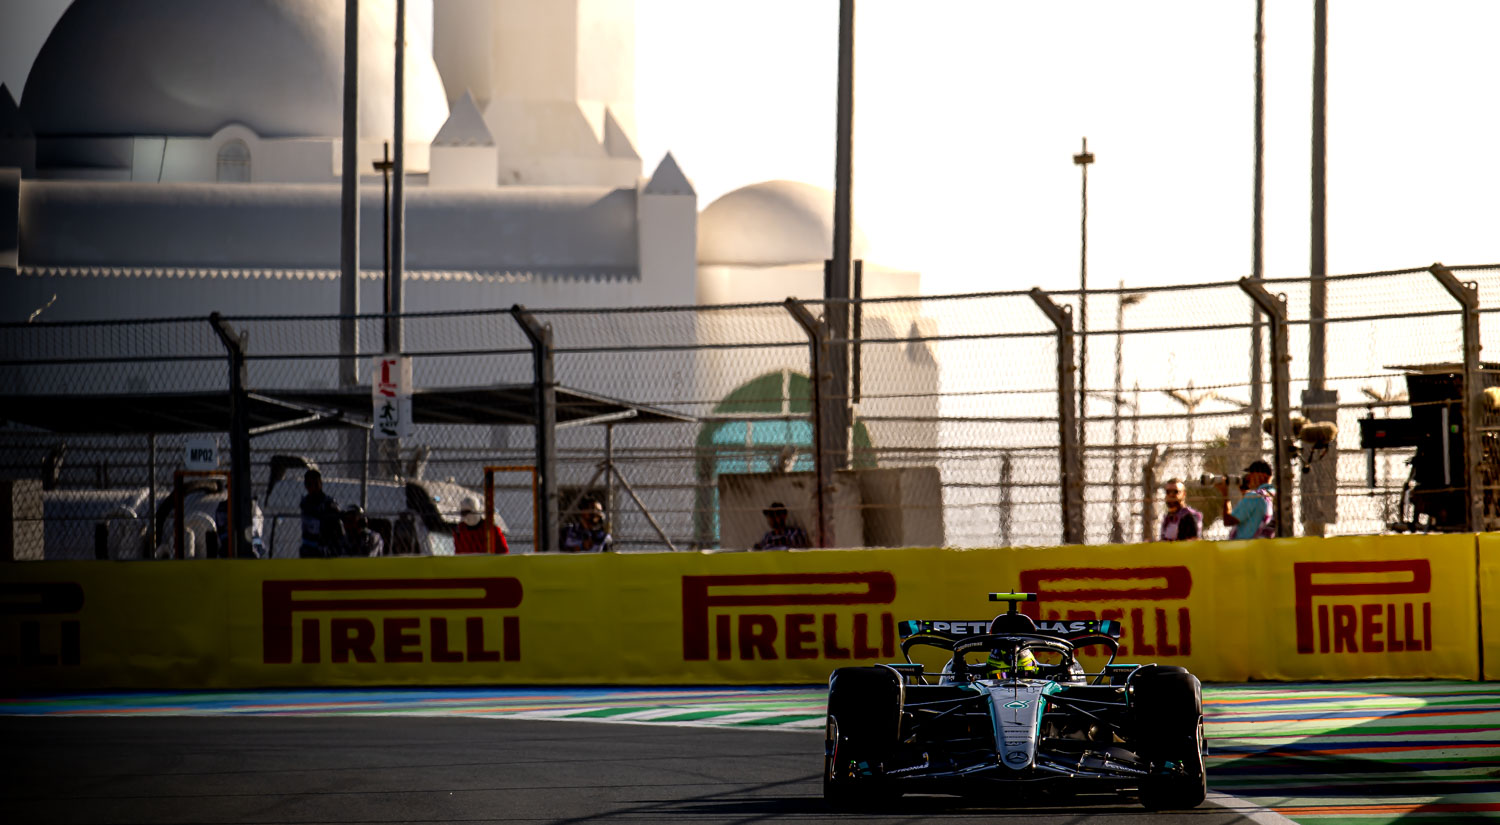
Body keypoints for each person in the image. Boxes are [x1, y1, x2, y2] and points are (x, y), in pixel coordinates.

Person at [1216, 459, 1277, 540]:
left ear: (1261, 476)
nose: (1247, 478)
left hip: (1244, 547)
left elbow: (1228, 521)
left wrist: (1225, 494)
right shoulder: (1272, 495)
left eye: (1250, 474)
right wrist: (1244, 494)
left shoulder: (1254, 497)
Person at [298, 469, 343, 558]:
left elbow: (338, 529)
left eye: (315, 484)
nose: (313, 488)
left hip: (325, 547)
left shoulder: (328, 504)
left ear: (320, 484)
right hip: (308, 546)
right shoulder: (305, 503)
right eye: (309, 484)